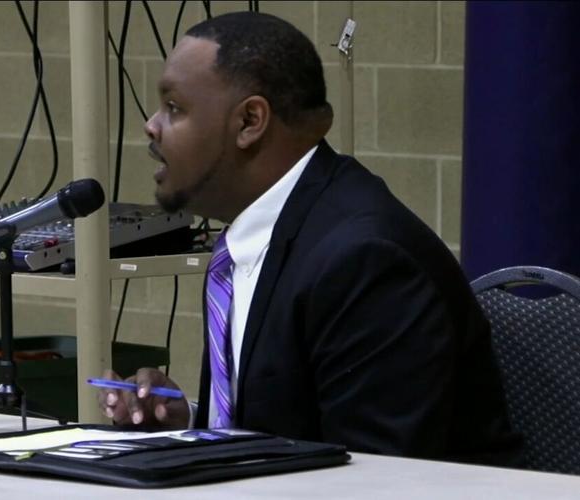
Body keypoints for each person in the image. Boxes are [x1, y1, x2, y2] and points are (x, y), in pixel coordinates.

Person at [99, 11, 523, 466]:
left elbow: (375, 478)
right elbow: (286, 427)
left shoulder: (366, 261)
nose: (151, 125)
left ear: (249, 122)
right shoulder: (250, 241)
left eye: (175, 108)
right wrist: (189, 428)